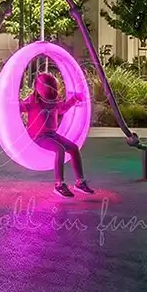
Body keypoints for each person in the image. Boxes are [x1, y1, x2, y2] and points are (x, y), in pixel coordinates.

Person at [20, 70, 94, 199]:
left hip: (52, 135)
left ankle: (80, 182)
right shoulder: (33, 100)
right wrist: (10, 102)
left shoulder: (53, 100)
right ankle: (59, 184)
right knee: (59, 149)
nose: (49, 92)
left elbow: (62, 109)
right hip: (38, 137)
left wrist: (74, 99)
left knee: (74, 148)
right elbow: (22, 107)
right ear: (39, 88)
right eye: (46, 88)